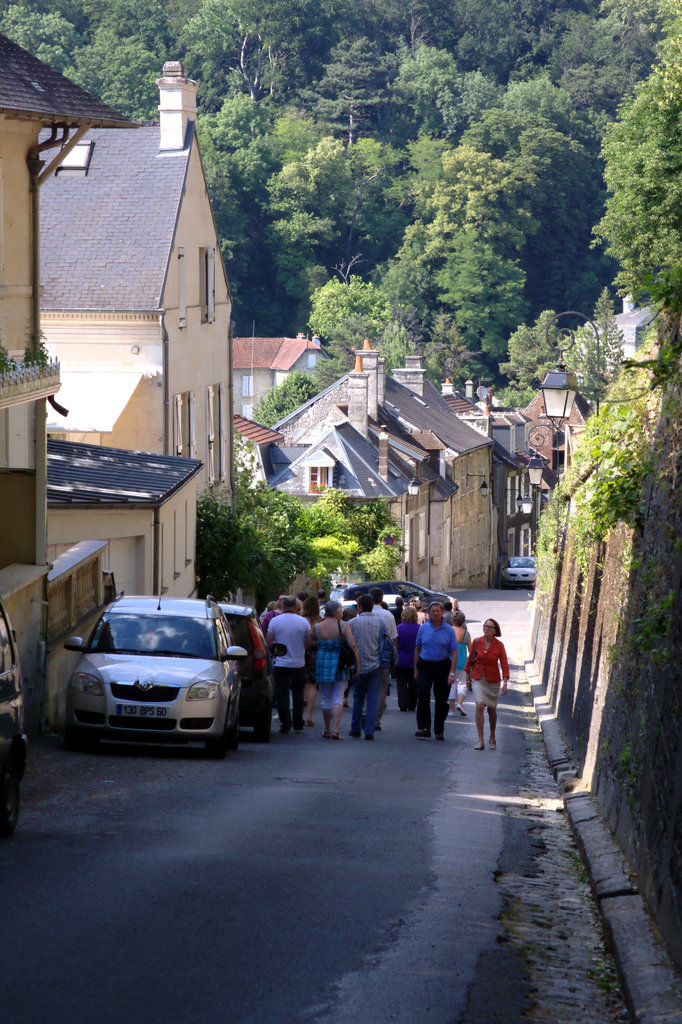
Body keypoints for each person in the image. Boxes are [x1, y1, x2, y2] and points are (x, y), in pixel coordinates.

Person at [313, 601, 359, 739]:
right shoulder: (343, 625)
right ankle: (335, 729)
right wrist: (357, 665)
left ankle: (327, 729)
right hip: (340, 663)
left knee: (326, 697)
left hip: (323, 663)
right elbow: (353, 646)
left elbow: (310, 640)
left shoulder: (317, 627)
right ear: (337, 612)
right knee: (338, 695)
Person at [266, 595, 311, 734]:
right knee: (298, 695)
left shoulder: (275, 621)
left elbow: (268, 642)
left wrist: (275, 650)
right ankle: (298, 724)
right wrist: (302, 648)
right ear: (296, 606)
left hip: (281, 663)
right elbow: (309, 641)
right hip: (298, 663)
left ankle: (285, 724)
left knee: (282, 694)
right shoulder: (303, 622)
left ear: (283, 606)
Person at [345, 593, 386, 740]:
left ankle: (355, 728)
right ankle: (369, 730)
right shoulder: (380, 623)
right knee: (372, 699)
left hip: (358, 666)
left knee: (358, 697)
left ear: (360, 607)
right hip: (375, 664)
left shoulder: (352, 624)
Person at [414, 601, 457, 740]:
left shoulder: (449, 630)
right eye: (432, 611)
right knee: (422, 694)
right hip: (425, 665)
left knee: (441, 698)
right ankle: (424, 727)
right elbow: (417, 649)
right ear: (429, 612)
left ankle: (439, 729)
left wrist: (452, 673)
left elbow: (454, 652)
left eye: (437, 610)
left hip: (442, 665)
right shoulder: (423, 628)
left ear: (442, 612)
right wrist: (415, 669)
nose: (435, 613)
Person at [465, 617, 509, 750]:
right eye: (485, 626)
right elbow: (469, 660)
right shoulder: (477, 641)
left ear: (495, 630)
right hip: (478, 678)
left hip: (493, 680)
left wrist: (505, 682)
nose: (486, 629)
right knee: (479, 705)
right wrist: (467, 678)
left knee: (491, 709)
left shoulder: (499, 645)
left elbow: (504, 664)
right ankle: (480, 740)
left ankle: (492, 736)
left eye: (490, 627)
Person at [370, 587, 398, 730]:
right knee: (382, 688)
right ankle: (376, 720)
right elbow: (394, 639)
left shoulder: (363, 614)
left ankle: (365, 714)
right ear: (382, 599)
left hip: (366, 655)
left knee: (366, 687)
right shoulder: (388, 615)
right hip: (384, 657)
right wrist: (395, 655)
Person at [302, 595, 321, 727]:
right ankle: (309, 714)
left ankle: (299, 707)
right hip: (314, 655)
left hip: (299, 653)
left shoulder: (301, 620)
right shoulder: (319, 621)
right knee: (312, 685)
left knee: (299, 684)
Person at [396, 604, 420, 711]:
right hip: (415, 659)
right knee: (413, 683)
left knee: (401, 682)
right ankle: (412, 704)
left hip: (401, 658)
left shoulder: (399, 628)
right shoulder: (419, 629)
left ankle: (402, 703)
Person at [448, 610, 472, 717]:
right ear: (463, 621)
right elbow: (471, 650)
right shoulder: (466, 633)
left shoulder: (449, 631)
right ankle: (460, 704)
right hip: (462, 661)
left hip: (450, 660)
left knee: (451, 685)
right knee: (462, 684)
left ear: (453, 620)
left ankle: (452, 710)